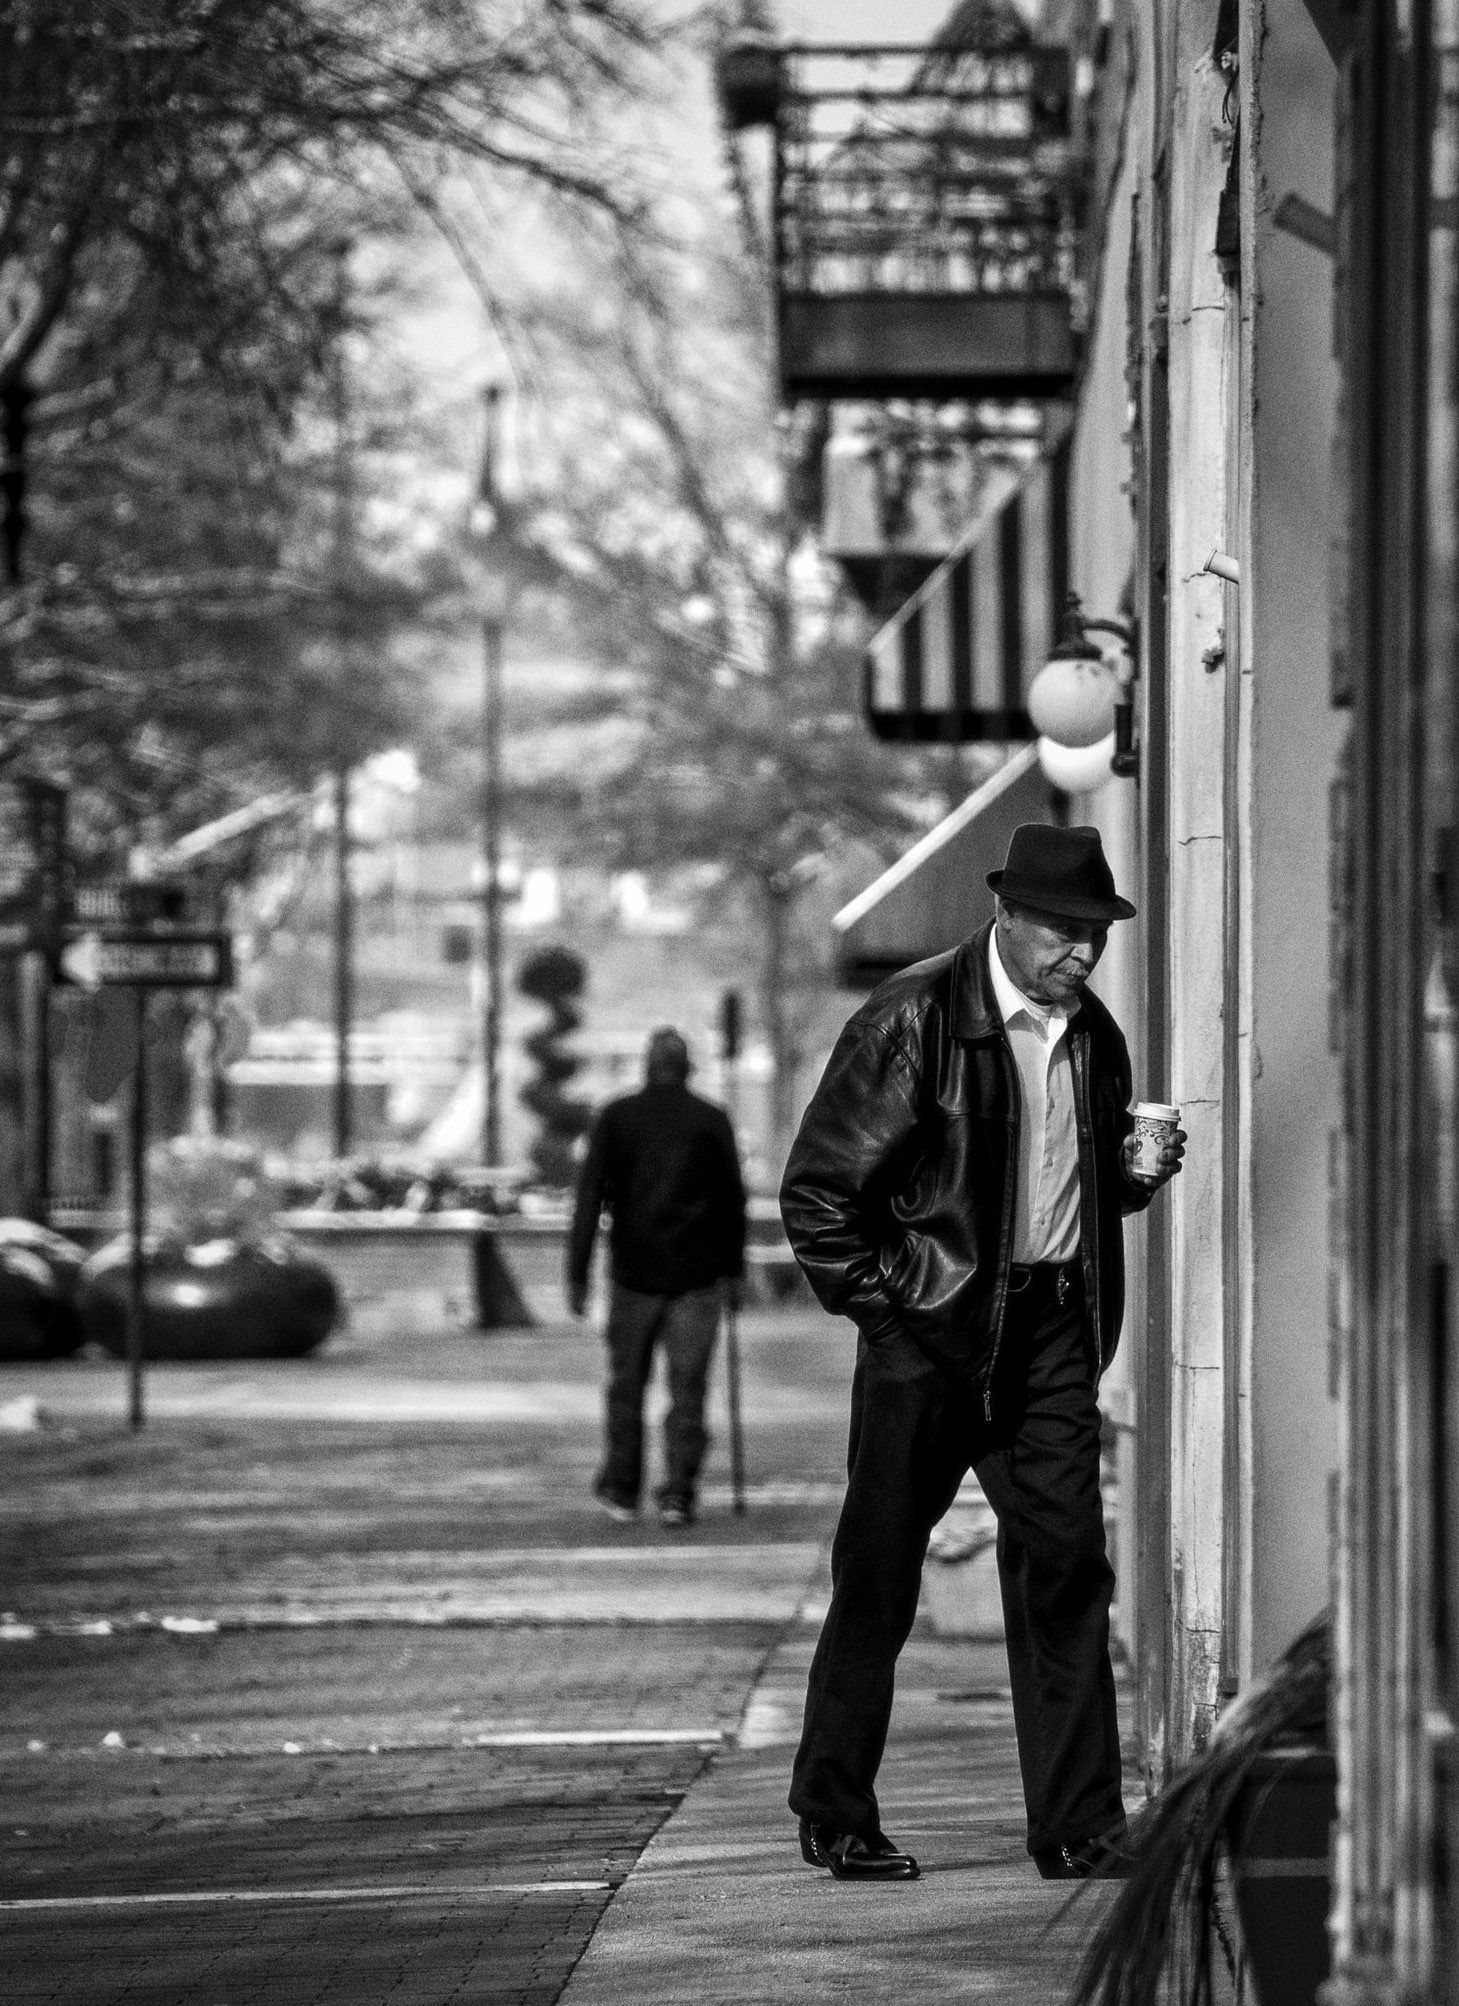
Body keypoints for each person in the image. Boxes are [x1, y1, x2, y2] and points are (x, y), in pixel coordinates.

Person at [780, 823, 1185, 1884]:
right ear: (1005, 914)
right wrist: (891, 1314)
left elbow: (1070, 1188)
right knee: (878, 1572)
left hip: (1052, 1329)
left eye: (1094, 933)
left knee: (1065, 1567)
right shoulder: (913, 1014)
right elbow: (818, 1197)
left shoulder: (1092, 1033)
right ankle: (835, 1810)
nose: (1081, 952)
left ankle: (1080, 1823)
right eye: (1063, 930)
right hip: (931, 1332)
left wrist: (1136, 1177)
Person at [568, 1026, 747, 1530]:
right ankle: (678, 1492)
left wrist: (577, 1274)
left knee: (626, 1386)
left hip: (633, 1275)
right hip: (698, 1276)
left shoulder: (617, 1117)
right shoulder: (711, 1120)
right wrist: (734, 1272)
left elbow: (588, 1199)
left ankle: (623, 1487)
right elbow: (732, 1202)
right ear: (688, 1068)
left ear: (646, 1066)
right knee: (687, 1390)